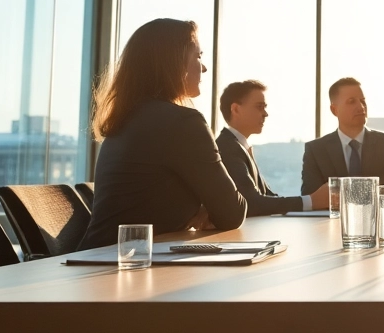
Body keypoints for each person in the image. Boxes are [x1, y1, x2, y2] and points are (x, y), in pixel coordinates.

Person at [79, 18, 246, 249]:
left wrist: (203, 209)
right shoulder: (183, 122)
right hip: (123, 267)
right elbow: (232, 212)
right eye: (198, 56)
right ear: (174, 62)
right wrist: (209, 208)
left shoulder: (127, 119)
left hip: (99, 260)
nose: (204, 67)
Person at [217, 80, 330, 216]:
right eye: (259, 107)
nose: (265, 114)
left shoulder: (238, 146)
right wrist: (312, 201)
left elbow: (268, 197)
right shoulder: (229, 148)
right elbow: (252, 203)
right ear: (235, 109)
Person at [300, 77, 384, 195]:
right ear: (334, 110)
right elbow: (311, 197)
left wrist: (339, 193)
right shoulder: (316, 150)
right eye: (351, 101)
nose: (361, 107)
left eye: (363, 101)